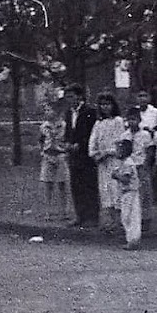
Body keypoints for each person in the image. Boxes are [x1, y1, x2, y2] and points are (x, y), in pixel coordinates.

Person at [61, 84, 99, 227]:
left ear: (79, 96)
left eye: (72, 96)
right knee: (76, 185)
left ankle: (92, 216)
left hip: (86, 155)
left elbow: (91, 133)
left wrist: (81, 145)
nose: (69, 100)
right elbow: (69, 132)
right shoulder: (69, 113)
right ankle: (80, 215)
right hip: (74, 155)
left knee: (89, 184)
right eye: (67, 97)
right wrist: (67, 143)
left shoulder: (90, 111)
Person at [114, 106, 151, 249]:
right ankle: (130, 234)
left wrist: (146, 166)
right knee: (128, 210)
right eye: (129, 119)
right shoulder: (124, 136)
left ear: (140, 120)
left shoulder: (145, 135)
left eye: (134, 119)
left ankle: (138, 233)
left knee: (141, 201)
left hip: (139, 167)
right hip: (129, 170)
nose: (132, 122)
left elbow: (148, 152)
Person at [87, 93, 125, 233]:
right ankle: (108, 221)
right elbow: (93, 141)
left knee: (116, 189)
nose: (105, 107)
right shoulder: (98, 123)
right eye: (102, 104)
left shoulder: (118, 121)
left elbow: (120, 141)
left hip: (115, 160)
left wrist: (109, 152)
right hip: (102, 163)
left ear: (113, 105)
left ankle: (119, 221)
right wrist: (95, 154)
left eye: (108, 104)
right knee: (105, 190)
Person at [38, 99, 71, 219]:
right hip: (48, 155)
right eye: (45, 110)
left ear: (56, 112)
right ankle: (48, 211)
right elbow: (41, 140)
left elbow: (67, 139)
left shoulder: (64, 125)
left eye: (49, 110)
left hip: (60, 154)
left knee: (62, 183)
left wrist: (66, 152)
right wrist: (42, 151)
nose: (46, 112)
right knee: (48, 184)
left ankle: (64, 211)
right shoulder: (44, 126)